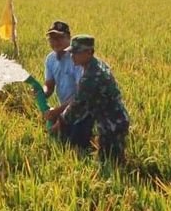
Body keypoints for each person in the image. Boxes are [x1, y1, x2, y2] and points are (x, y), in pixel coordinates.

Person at [51, 35, 130, 163]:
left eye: (76, 52)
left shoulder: (92, 76)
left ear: (88, 52)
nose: (72, 56)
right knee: (109, 160)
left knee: (111, 164)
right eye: (71, 52)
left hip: (112, 124)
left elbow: (78, 105)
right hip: (111, 120)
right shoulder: (95, 64)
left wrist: (60, 122)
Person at [41, 21, 94, 149]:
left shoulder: (76, 59)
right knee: (58, 137)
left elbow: (79, 95)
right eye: (52, 38)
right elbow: (49, 86)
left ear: (69, 38)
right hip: (66, 108)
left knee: (76, 144)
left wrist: (57, 111)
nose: (56, 41)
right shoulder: (50, 59)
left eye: (60, 37)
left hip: (82, 109)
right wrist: (41, 92)